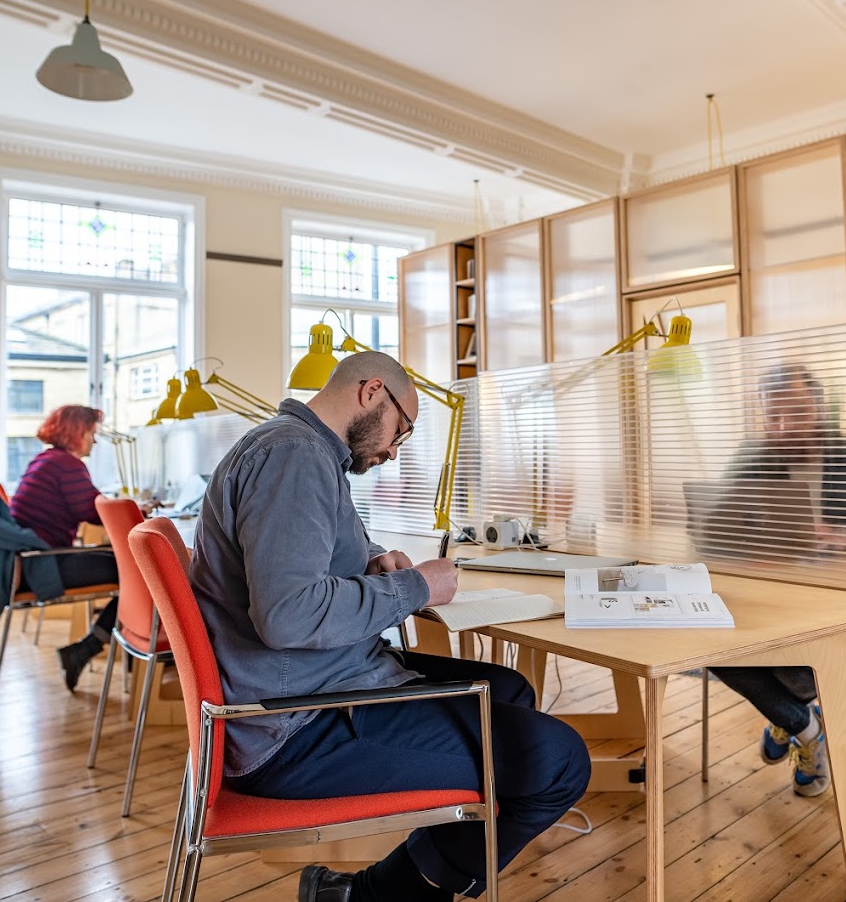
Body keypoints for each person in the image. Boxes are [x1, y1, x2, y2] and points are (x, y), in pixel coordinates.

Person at [191, 351, 591, 902]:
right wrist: (417, 586)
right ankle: (378, 894)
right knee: (559, 761)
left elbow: (301, 565)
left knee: (509, 689)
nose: (392, 452)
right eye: (401, 431)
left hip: (306, 688)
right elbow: (289, 615)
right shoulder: (294, 457)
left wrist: (371, 561)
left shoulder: (300, 451)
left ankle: (388, 886)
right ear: (372, 391)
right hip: (296, 727)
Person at [708, 363, 846, 797]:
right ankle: (803, 725)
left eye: (797, 412)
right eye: (774, 416)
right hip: (772, 596)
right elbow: (711, 533)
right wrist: (758, 539)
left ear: (820, 408)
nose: (784, 427)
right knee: (703, 638)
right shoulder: (753, 459)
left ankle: (787, 715)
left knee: (801, 669)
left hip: (844, 601)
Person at [7, 404, 120, 691]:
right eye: (92, 433)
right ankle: (87, 648)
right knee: (143, 573)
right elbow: (95, 510)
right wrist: (137, 509)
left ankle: (86, 648)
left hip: (30, 562)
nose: (94, 441)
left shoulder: (45, 460)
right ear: (77, 432)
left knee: (132, 567)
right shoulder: (66, 465)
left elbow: (88, 506)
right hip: (43, 567)